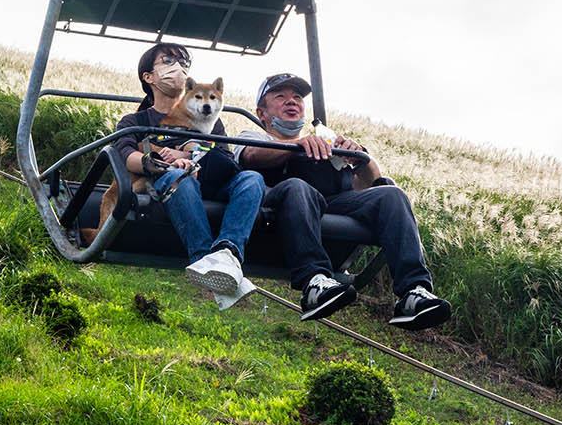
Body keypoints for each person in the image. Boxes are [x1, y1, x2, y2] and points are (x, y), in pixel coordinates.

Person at [234, 73, 452, 330]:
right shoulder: (253, 136)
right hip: (277, 210)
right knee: (298, 187)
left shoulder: (323, 142)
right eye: (280, 96)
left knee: (391, 195)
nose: (291, 102)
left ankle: (413, 291)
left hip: (329, 204)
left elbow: (369, 182)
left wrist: (359, 157)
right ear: (262, 112)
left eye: (296, 97)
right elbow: (251, 157)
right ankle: (314, 280)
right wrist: (297, 145)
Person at [114, 43, 267, 296]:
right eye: (168, 61)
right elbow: (125, 154)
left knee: (251, 179)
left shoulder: (208, 121)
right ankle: (203, 257)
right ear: (148, 76)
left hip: (209, 179)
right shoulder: (136, 121)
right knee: (179, 178)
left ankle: (228, 253)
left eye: (184, 63)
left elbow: (224, 158)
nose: (179, 68)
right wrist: (157, 162)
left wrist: (187, 154)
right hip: (171, 180)